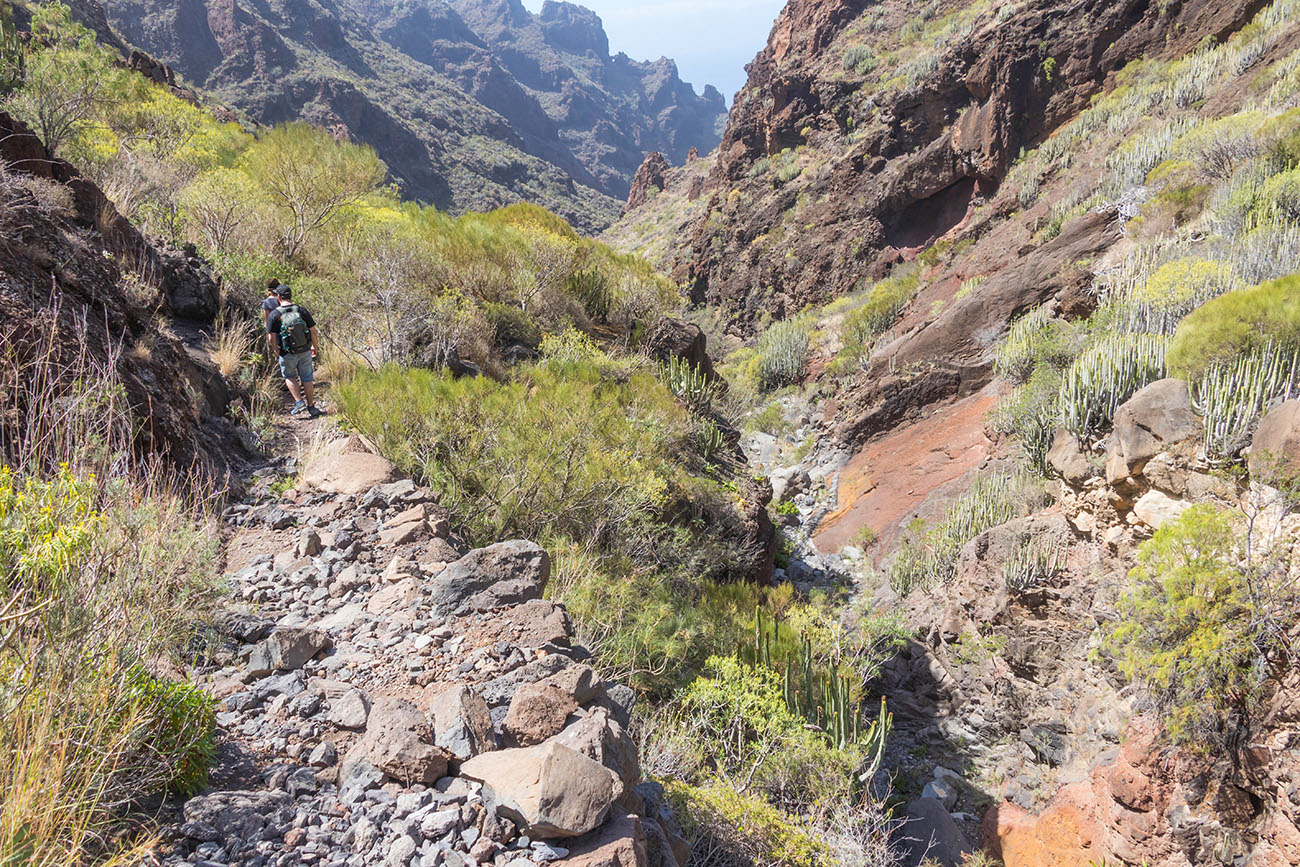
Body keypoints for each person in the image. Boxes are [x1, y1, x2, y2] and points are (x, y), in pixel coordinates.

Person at [266, 285, 323, 418]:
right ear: (290, 296)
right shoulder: (301, 310)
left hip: (287, 353)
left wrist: (276, 349)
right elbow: (313, 331)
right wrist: (314, 347)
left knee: (290, 376)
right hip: (305, 350)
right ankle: (311, 407)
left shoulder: (275, 314)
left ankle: (299, 402)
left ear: (278, 297)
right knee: (307, 378)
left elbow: (271, 337)